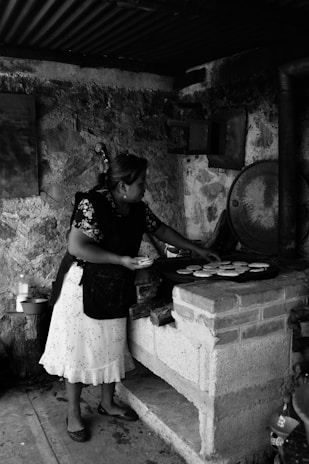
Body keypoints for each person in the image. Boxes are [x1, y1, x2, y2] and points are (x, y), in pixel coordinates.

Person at [39, 153, 219, 442]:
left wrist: (196, 249)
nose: (145, 187)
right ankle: (73, 412)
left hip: (113, 284)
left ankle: (108, 402)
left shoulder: (136, 208)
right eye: (141, 182)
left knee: (111, 343)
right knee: (78, 351)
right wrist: (121, 259)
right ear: (123, 186)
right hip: (82, 285)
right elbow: (77, 246)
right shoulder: (92, 203)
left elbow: (160, 230)